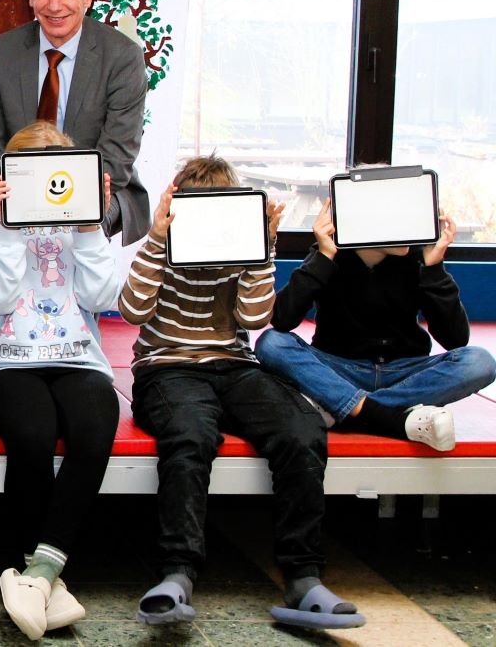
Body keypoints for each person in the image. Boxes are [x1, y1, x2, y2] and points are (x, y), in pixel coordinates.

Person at [121, 156, 365, 631]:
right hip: (167, 368)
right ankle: (177, 573)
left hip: (233, 365)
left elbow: (255, 320)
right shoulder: (161, 248)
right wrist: (155, 239)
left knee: (302, 428)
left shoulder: (241, 252)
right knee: (190, 436)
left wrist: (263, 249)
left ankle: (303, 576)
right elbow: (131, 309)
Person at [0, 122, 122, 640]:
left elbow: (103, 297)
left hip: (80, 359)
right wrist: (8, 229)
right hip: (5, 363)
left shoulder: (82, 228)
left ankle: (38, 573)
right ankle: (45, 573)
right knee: (32, 431)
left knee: (95, 424)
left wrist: (91, 225)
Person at [256, 200, 494, 450]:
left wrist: (433, 269)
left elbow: (456, 339)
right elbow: (282, 319)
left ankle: (351, 410)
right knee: (271, 343)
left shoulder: (417, 257)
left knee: (480, 362)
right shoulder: (329, 253)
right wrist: (324, 258)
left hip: (403, 374)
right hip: (339, 371)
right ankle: (386, 416)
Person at [0, 0, 149, 245]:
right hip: (18, 192)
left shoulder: (123, 57)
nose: (54, 5)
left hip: (96, 192)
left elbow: (116, 158)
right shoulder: (2, 53)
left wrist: (58, 222)